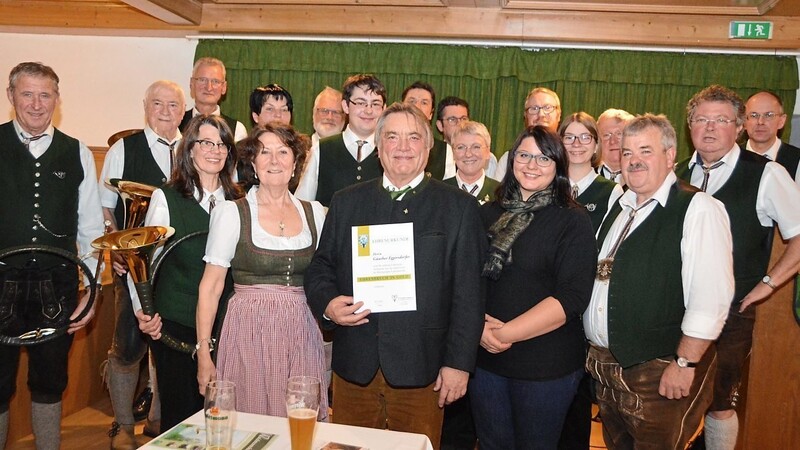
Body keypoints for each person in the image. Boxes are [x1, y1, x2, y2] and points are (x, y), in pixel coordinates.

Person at [304, 103, 485, 449]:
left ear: (429, 147)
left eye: (413, 137)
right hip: (355, 366)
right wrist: (328, 304)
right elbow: (321, 267)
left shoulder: (458, 208)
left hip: (424, 369)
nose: (403, 147)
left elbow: (469, 294)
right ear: (378, 145)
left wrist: (458, 364)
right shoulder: (346, 202)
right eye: (392, 137)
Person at [585, 113, 735, 449]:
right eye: (626, 153)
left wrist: (685, 362)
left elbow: (711, 297)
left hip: (660, 369)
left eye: (645, 151)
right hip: (608, 369)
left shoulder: (698, 208)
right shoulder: (620, 206)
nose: (634, 161)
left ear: (670, 156)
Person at [674, 85, 800, 450]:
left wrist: (768, 284)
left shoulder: (766, 174)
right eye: (701, 120)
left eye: (721, 120)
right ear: (689, 126)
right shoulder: (678, 173)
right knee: (672, 398)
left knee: (720, 401)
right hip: (676, 310)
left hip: (731, 314)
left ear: (739, 127)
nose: (710, 129)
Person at [470, 125, 596, 450]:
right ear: (512, 160)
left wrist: (504, 334)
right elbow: (467, 280)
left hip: (545, 366)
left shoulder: (573, 220)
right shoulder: (487, 214)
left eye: (543, 158)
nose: (531, 165)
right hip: (485, 360)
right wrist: (479, 327)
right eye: (524, 155)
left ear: (558, 166)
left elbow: (572, 297)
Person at [0, 61, 104, 449]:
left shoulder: (76, 152)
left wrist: (90, 293)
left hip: (57, 284)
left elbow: (92, 229)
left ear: (57, 100)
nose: (37, 104)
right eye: (27, 93)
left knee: (50, 380)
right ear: (11, 97)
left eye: (45, 95)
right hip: (0, 282)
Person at [195, 122, 328, 419]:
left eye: (283, 152)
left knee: (300, 419)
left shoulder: (315, 213)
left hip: (302, 330)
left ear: (296, 164)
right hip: (248, 330)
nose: (274, 160)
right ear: (253, 163)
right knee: (251, 422)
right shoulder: (232, 213)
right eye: (264, 152)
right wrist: (204, 351)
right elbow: (211, 286)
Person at [135, 115, 243, 431]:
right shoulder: (166, 198)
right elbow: (143, 265)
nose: (215, 150)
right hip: (176, 325)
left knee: (222, 421)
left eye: (222, 144)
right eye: (206, 142)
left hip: (226, 326)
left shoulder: (240, 201)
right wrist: (145, 312)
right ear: (190, 149)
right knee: (182, 419)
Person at [99, 79, 185, 449]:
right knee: (128, 346)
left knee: (170, 345)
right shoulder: (124, 148)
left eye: (173, 105)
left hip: (178, 267)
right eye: (157, 104)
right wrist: (116, 249)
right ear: (145, 106)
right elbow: (105, 204)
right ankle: (122, 426)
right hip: (134, 266)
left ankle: (160, 421)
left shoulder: (193, 148)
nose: (165, 112)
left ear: (183, 111)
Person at [295, 74, 386, 206]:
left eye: (375, 104)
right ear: (345, 106)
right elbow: (303, 206)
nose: (368, 110)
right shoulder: (321, 149)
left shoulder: (391, 150)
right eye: (361, 103)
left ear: (384, 109)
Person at [560, 112, 624, 232]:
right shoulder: (549, 187)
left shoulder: (611, 191)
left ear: (596, 145)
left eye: (585, 137)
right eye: (569, 137)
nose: (576, 144)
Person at [495, 87, 561, 181]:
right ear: (525, 116)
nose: (541, 114)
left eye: (548, 108)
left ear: (558, 115)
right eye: (534, 108)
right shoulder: (508, 159)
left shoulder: (572, 156)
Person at [179, 57, 247, 142]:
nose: (209, 87)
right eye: (202, 80)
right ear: (192, 83)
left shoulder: (237, 129)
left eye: (215, 81)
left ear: (224, 87)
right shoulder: (177, 123)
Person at [435, 96, 498, 180]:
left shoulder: (487, 158)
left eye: (463, 119)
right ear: (440, 125)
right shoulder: (432, 156)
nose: (459, 123)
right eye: (452, 119)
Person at [744, 90, 800, 183]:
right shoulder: (729, 156)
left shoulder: (797, 160)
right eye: (754, 115)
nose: (760, 122)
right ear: (744, 121)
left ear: (781, 121)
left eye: (769, 115)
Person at [403, 81, 450, 180]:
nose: (417, 107)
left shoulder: (445, 151)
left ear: (431, 114)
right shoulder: (387, 143)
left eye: (424, 103)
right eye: (412, 101)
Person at [443, 120, 499, 204]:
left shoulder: (502, 193)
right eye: (461, 147)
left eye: (476, 147)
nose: (468, 154)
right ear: (453, 153)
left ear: (488, 152)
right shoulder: (439, 191)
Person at [596, 108, 634, 185]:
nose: (613, 141)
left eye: (619, 134)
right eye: (606, 135)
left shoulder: (644, 177)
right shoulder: (586, 177)